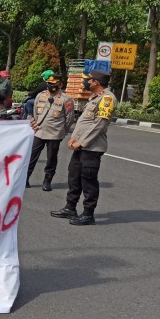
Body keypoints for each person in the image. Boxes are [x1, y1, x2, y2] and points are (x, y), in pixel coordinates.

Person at [51, 70, 116, 226]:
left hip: (92, 148)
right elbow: (85, 122)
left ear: (96, 82)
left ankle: (88, 214)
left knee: (88, 181)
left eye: (90, 80)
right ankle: (70, 208)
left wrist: (82, 142)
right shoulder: (94, 98)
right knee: (74, 177)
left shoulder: (107, 99)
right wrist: (74, 137)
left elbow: (99, 124)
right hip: (81, 146)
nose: (87, 82)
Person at [26, 72, 75, 191]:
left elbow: (69, 119)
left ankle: (47, 180)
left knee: (51, 158)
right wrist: (35, 124)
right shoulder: (40, 96)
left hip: (54, 133)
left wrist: (62, 132)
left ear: (60, 84)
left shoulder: (66, 99)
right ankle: (25, 178)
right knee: (31, 156)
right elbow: (35, 112)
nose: (50, 85)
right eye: (48, 83)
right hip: (39, 131)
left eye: (53, 83)